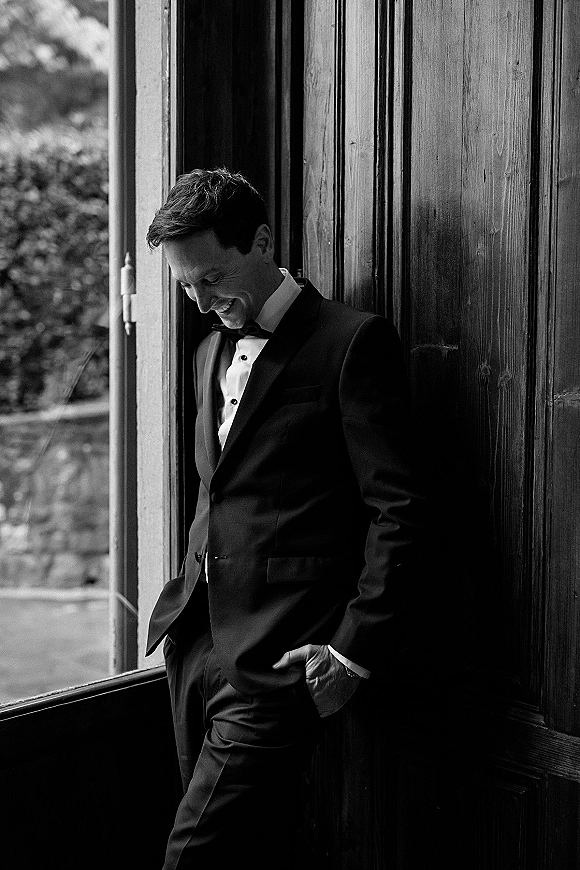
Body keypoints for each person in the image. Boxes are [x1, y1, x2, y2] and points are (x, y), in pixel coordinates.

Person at [145, 168, 421, 868]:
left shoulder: (351, 342)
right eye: (184, 286)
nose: (201, 303)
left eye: (210, 278)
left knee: (193, 856)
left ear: (261, 241)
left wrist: (352, 651)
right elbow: (223, 494)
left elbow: (398, 511)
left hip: (282, 657)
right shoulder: (210, 349)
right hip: (197, 644)